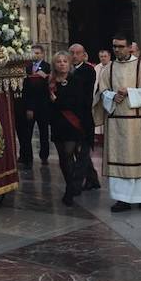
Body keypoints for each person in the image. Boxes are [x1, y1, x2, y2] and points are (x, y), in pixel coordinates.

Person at [94, 34, 141, 212]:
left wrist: (130, 92)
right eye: (114, 46)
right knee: (119, 159)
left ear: (130, 47)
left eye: (121, 46)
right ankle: (123, 199)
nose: (117, 50)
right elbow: (101, 93)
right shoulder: (108, 69)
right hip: (117, 123)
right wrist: (113, 96)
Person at [48, 51, 88, 205]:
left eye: (65, 61)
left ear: (69, 64)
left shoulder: (75, 80)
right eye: (59, 61)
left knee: (68, 153)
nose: (62, 64)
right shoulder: (51, 82)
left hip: (72, 123)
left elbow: (76, 102)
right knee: (63, 159)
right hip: (58, 124)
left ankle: (70, 190)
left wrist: (57, 101)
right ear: (55, 64)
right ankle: (70, 184)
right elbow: (47, 102)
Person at [69, 44, 100, 190]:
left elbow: (84, 92)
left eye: (77, 53)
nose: (74, 56)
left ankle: (75, 184)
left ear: (84, 55)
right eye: (72, 53)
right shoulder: (67, 69)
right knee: (79, 151)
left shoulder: (88, 70)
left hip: (84, 116)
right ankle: (93, 179)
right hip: (69, 117)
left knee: (82, 151)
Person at [18, 44, 50, 168]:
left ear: (42, 54)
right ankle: (27, 156)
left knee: (44, 133)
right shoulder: (27, 67)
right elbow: (26, 89)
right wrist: (29, 107)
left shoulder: (47, 67)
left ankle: (44, 156)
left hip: (43, 106)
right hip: (29, 105)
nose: (35, 55)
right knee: (27, 133)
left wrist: (46, 77)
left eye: (37, 53)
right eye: (33, 53)